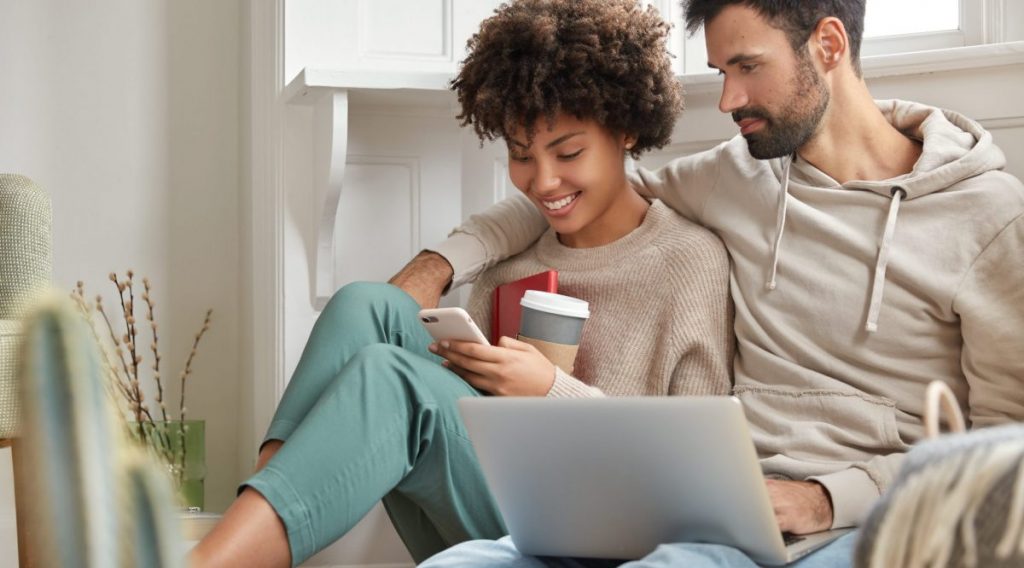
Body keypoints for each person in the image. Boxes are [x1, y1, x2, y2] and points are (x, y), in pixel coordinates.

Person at [395, 0, 1024, 566]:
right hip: (718, 507)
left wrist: (827, 499)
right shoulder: (738, 176)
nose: (727, 100)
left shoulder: (987, 216)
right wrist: (441, 265)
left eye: (747, 67)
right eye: (722, 72)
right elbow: (580, 192)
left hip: (872, 518)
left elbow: (1005, 450)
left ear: (828, 45)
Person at [190, 1, 734, 566]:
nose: (543, 182)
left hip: (605, 537)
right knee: (364, 305)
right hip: (496, 519)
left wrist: (550, 390)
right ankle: (250, 525)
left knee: (392, 379)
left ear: (624, 130)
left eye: (568, 152)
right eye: (521, 156)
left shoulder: (687, 261)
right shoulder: (509, 266)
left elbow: (692, 470)